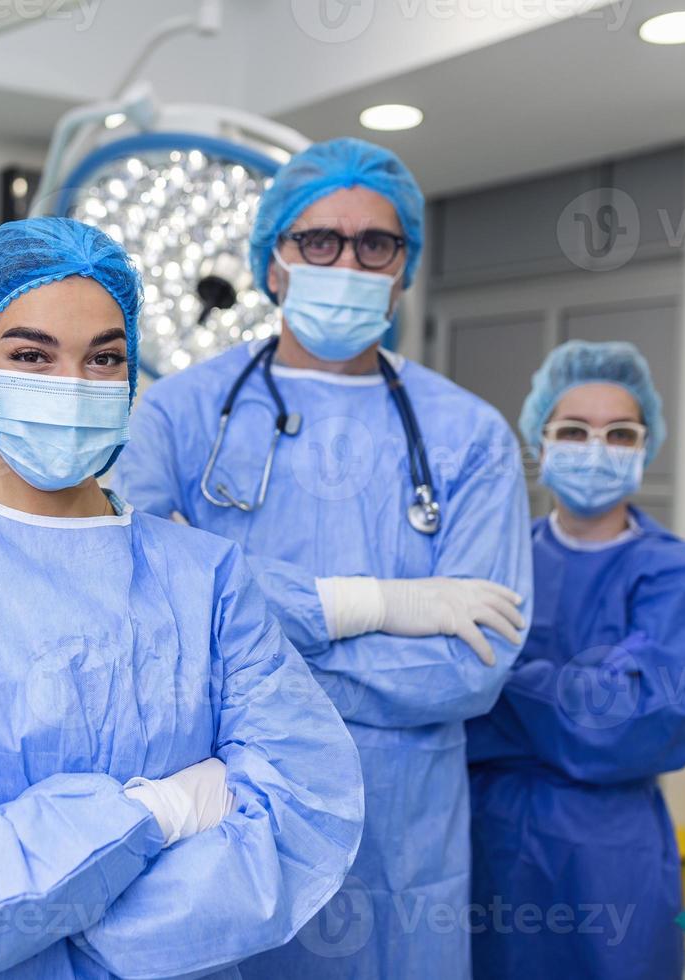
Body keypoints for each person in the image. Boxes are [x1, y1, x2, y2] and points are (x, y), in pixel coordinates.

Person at [0, 217, 364, 979]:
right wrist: (159, 811)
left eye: (103, 358)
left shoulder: (209, 583)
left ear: (130, 383)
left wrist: (42, 915)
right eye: (32, 355)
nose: (71, 386)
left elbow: (303, 808)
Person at [112, 137, 532, 977]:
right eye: (318, 241)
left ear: (403, 268)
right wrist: (376, 608)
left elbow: (472, 665)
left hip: (400, 838)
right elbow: (142, 593)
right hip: (230, 815)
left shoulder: (471, 436)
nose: (348, 260)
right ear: (273, 263)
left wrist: (250, 674)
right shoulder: (178, 416)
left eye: (376, 243)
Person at [466, 340, 685, 978]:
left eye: (619, 433)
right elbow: (445, 696)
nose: (596, 449)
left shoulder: (674, 572)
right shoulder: (493, 561)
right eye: (573, 431)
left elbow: (635, 726)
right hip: (487, 836)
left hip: (610, 850)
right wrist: (569, 698)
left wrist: (504, 684)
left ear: (645, 446)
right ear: (539, 442)